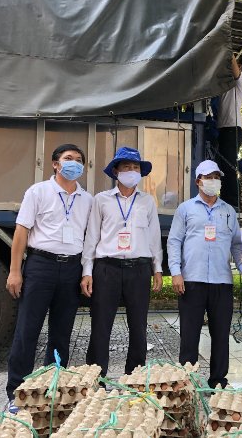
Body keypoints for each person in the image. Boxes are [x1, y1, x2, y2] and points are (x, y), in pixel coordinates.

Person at [5, 144, 93, 412]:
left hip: (71, 269)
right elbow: (21, 232)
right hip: (40, 265)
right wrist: (15, 270)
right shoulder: (38, 192)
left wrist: (85, 272)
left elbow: (89, 239)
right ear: (55, 164)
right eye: (68, 159)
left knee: (61, 332)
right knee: (27, 330)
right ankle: (16, 391)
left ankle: (52, 385)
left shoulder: (87, 199)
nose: (74, 164)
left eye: (78, 160)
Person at [81, 147, 163, 378]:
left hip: (138, 269)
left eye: (135, 167)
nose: (131, 171)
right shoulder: (101, 200)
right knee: (100, 325)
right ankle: (96, 377)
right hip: (107, 268)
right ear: (116, 171)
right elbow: (92, 237)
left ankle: (135, 376)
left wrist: (157, 268)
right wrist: (87, 271)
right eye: (126, 167)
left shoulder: (147, 202)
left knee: (138, 326)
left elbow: (154, 237)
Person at [167, 160, 242, 388]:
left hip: (222, 281)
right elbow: (174, 241)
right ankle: (187, 380)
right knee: (189, 335)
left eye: (216, 176)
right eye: (208, 177)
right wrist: (176, 272)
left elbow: (237, 245)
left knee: (221, 335)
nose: (213, 181)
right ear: (198, 181)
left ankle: (218, 380)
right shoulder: (186, 209)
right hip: (192, 280)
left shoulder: (229, 211)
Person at [217, 54, 242, 208]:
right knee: (223, 166)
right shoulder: (229, 84)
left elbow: (231, 62)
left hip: (232, 128)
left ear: (239, 67)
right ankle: (225, 197)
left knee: (228, 165)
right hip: (225, 128)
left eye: (236, 64)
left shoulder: (241, 80)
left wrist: (227, 46)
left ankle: (232, 202)